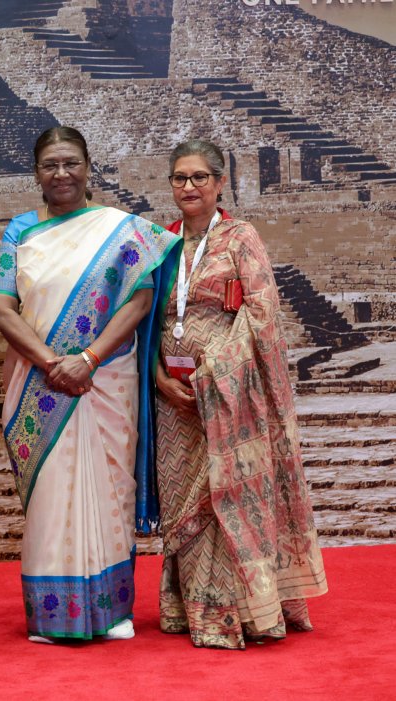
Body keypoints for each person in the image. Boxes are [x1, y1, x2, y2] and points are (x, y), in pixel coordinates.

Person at [0, 126, 181, 643]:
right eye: (50, 164)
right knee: (51, 496)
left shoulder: (121, 231)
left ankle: (113, 610)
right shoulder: (21, 231)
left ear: (89, 166)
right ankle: (53, 616)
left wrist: (88, 359)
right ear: (36, 172)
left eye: (70, 162)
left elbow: (139, 302)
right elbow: (2, 307)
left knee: (112, 490)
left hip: (106, 379)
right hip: (40, 380)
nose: (61, 173)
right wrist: (55, 363)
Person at [153, 139, 327, 649]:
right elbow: (147, 320)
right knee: (186, 498)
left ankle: (243, 615)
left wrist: (215, 368)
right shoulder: (161, 244)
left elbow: (261, 311)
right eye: (179, 178)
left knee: (226, 493)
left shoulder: (240, 238)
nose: (188, 187)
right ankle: (189, 609)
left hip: (229, 393)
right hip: (174, 400)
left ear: (219, 182)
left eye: (199, 177)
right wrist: (160, 376)